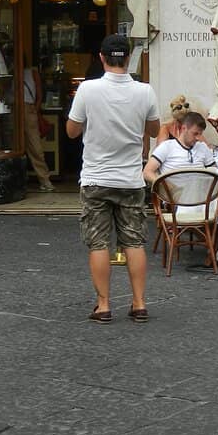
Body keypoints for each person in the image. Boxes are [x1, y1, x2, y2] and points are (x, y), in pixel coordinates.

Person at [66, 33, 160, 323]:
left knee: (98, 244)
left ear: (102, 58)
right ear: (128, 58)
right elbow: (155, 131)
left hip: (96, 178)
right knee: (134, 242)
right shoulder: (145, 91)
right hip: (130, 179)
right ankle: (139, 303)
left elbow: (71, 131)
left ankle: (104, 305)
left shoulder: (88, 90)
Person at [144, 111, 217, 181]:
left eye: (200, 134)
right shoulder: (167, 147)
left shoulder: (202, 147)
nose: (198, 138)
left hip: (201, 191)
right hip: (173, 192)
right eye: (195, 133)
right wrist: (164, 185)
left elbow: (215, 172)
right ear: (184, 128)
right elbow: (147, 172)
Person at [22, 60, 54, 192]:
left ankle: (44, 179)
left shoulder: (32, 72)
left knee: (35, 145)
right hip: (13, 109)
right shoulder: (12, 72)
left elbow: (39, 94)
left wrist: (35, 108)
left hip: (27, 108)